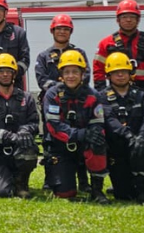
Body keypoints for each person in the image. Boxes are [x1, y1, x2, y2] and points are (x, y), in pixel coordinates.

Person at [33, 13, 91, 192]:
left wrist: (69, 87)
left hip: (77, 104)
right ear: (52, 31)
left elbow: (86, 76)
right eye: (59, 28)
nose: (62, 32)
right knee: (50, 140)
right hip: (53, 104)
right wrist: (61, 88)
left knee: (78, 138)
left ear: (71, 31)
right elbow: (41, 79)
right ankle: (49, 179)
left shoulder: (79, 53)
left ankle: (83, 181)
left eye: (66, 28)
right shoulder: (43, 56)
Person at [43, 50, 110, 203]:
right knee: (65, 193)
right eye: (67, 72)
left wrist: (94, 134)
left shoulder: (93, 95)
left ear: (82, 73)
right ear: (61, 75)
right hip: (61, 147)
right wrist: (80, 134)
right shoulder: (52, 95)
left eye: (75, 71)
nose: (71, 76)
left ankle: (97, 190)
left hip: (85, 145)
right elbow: (54, 126)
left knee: (98, 141)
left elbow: (98, 123)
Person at [0, 53, 40, 198]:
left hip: (19, 150)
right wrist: (13, 137)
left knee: (30, 146)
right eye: (1, 71)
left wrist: (25, 130)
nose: (5, 74)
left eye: (9, 71)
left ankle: (21, 183)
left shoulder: (26, 98)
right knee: (2, 193)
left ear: (14, 73)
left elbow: (34, 123)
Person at [100, 52, 144, 205]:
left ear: (130, 73)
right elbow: (109, 119)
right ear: (108, 75)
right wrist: (129, 136)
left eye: (123, 71)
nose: (120, 75)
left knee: (143, 148)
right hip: (117, 149)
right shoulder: (102, 97)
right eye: (115, 72)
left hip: (140, 145)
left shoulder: (142, 96)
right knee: (124, 195)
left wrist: (142, 136)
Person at [93, 0, 144, 91]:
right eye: (124, 17)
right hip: (115, 90)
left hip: (143, 90)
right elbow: (98, 69)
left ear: (138, 20)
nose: (128, 20)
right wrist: (101, 91)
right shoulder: (106, 43)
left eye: (132, 17)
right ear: (117, 20)